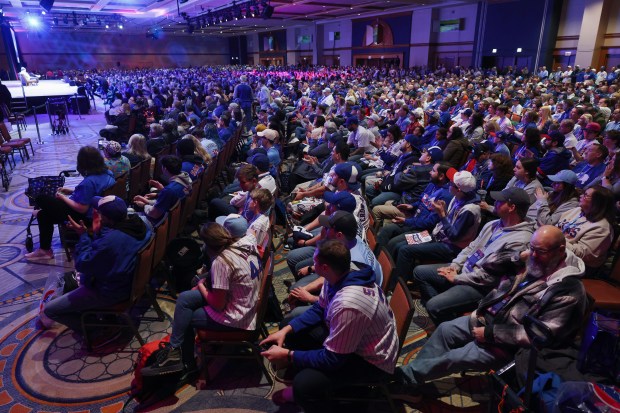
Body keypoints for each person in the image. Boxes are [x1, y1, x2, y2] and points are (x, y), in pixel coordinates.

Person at [391, 226, 588, 404]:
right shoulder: (532, 262)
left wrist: (490, 333)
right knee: (444, 330)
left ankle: (401, 377)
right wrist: (520, 255)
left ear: (560, 250)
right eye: (532, 248)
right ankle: (413, 384)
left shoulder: (568, 290)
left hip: (510, 346)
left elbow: (539, 335)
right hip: (486, 318)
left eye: (540, 251)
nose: (534, 255)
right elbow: (489, 263)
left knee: (456, 356)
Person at [260, 239, 399, 413]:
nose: (312, 264)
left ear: (325, 267)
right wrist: (285, 331)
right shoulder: (339, 274)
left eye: (315, 261)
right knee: (290, 327)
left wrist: (288, 355)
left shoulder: (349, 304)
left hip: (372, 360)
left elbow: (333, 359)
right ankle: (312, 371)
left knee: (304, 384)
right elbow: (320, 308)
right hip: (357, 340)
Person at [142, 220, 261, 377]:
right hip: (247, 301)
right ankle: (174, 351)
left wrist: (201, 285)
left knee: (186, 318)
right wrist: (202, 283)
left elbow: (218, 305)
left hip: (239, 318)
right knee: (185, 298)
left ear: (206, 245)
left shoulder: (221, 262)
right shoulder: (244, 243)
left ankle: (187, 365)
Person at [413, 187, 535, 325]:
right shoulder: (493, 224)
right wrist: (455, 265)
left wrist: (458, 278)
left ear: (512, 207)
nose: (494, 203)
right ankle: (448, 315)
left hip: (481, 286)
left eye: (500, 201)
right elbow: (471, 247)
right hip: (465, 270)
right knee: (420, 273)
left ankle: (449, 326)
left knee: (433, 305)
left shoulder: (521, 240)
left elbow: (490, 278)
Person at [43, 195, 152, 346]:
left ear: (106, 218)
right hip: (133, 284)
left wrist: (83, 236)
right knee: (71, 286)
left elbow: (82, 264)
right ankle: (98, 318)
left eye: (99, 213)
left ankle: (96, 330)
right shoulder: (142, 224)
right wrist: (97, 232)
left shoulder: (111, 241)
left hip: (112, 292)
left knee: (50, 310)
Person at [25, 146, 116, 260]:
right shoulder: (107, 173)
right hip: (99, 211)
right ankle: (45, 250)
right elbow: (93, 193)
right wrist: (72, 191)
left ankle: (45, 250)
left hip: (85, 216)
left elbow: (82, 208)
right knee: (44, 216)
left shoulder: (89, 182)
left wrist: (62, 198)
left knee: (41, 198)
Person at [392, 170, 481, 280]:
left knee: (404, 250)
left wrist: (442, 215)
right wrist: (443, 212)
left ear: (458, 189)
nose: (448, 184)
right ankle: (400, 278)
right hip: (436, 236)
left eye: (451, 183)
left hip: (449, 248)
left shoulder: (470, 210)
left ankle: (398, 287)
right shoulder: (457, 197)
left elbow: (453, 236)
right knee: (398, 245)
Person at [555, 185, 615, 275]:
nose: (581, 196)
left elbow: (582, 254)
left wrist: (555, 240)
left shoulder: (602, 228)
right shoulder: (577, 210)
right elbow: (556, 228)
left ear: (597, 203)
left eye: (586, 195)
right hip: (558, 251)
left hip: (578, 265)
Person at [133, 155, 192, 224]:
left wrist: (144, 205)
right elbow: (168, 201)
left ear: (165, 169)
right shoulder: (186, 178)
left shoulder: (169, 190)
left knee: (131, 213)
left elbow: (154, 214)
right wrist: (147, 201)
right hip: (178, 218)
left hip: (161, 222)